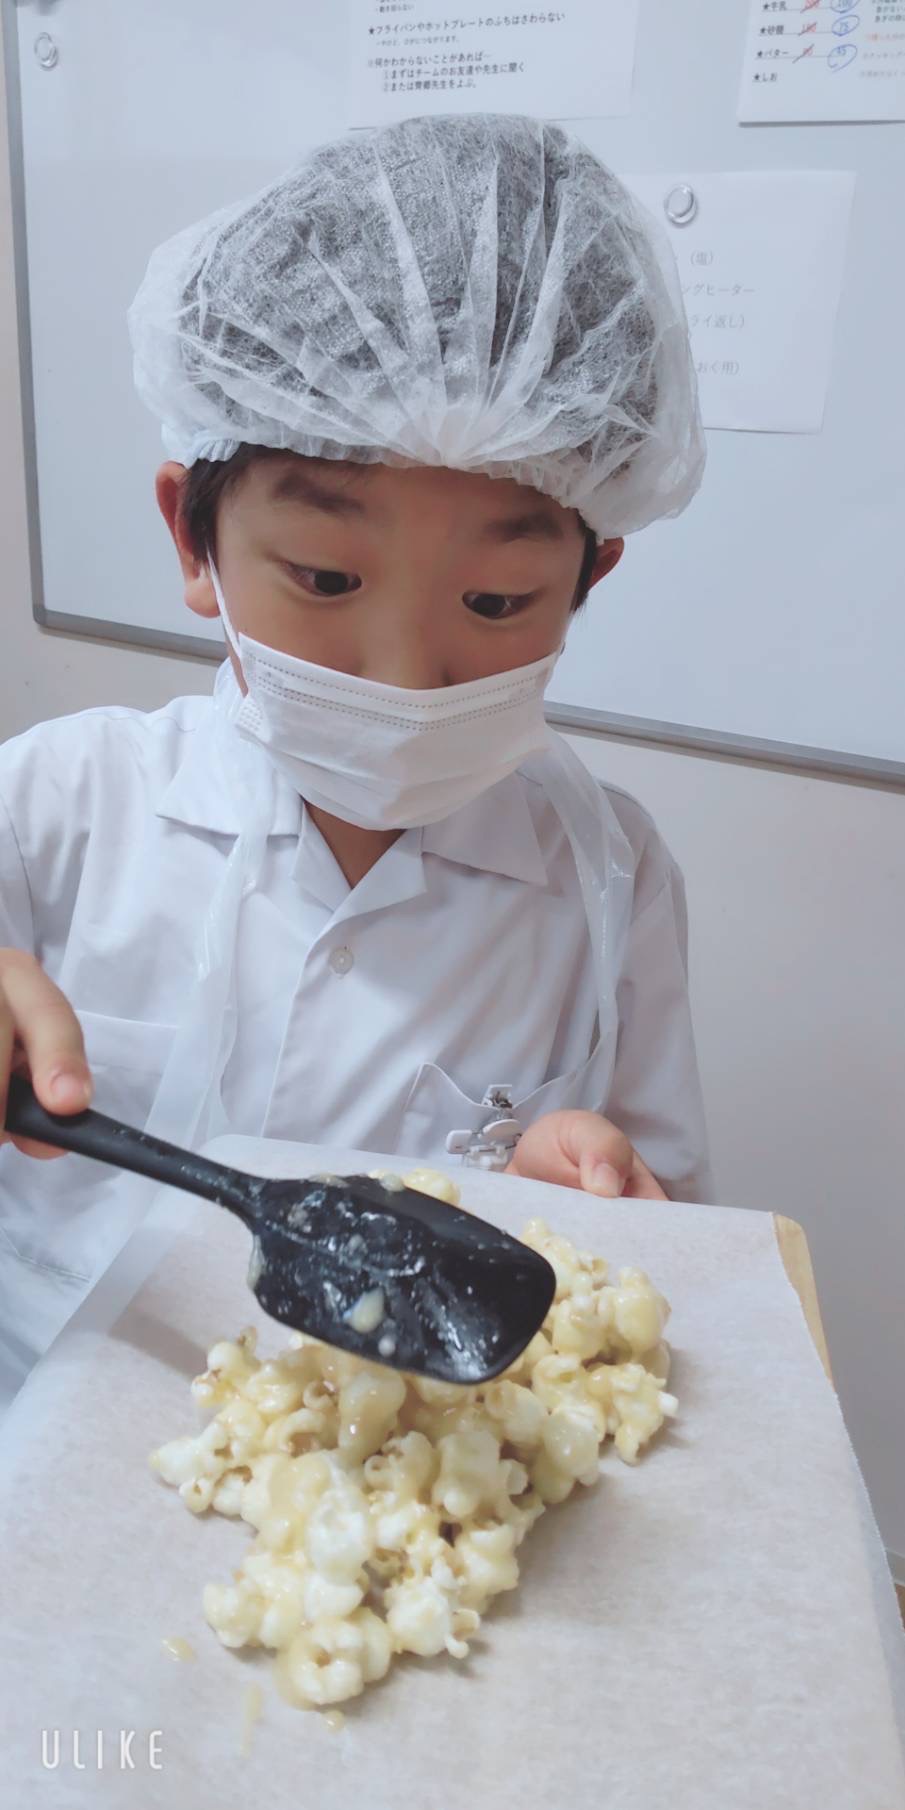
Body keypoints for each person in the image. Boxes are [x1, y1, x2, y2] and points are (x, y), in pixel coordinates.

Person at [0, 113, 711, 1407]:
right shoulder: (57, 805)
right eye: (327, 579)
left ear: (589, 577)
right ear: (193, 540)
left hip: (400, 1482)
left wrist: (581, 1199)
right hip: (49, 1439)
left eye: (495, 602)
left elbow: (660, 1226)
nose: (400, 674)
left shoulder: (605, 880)